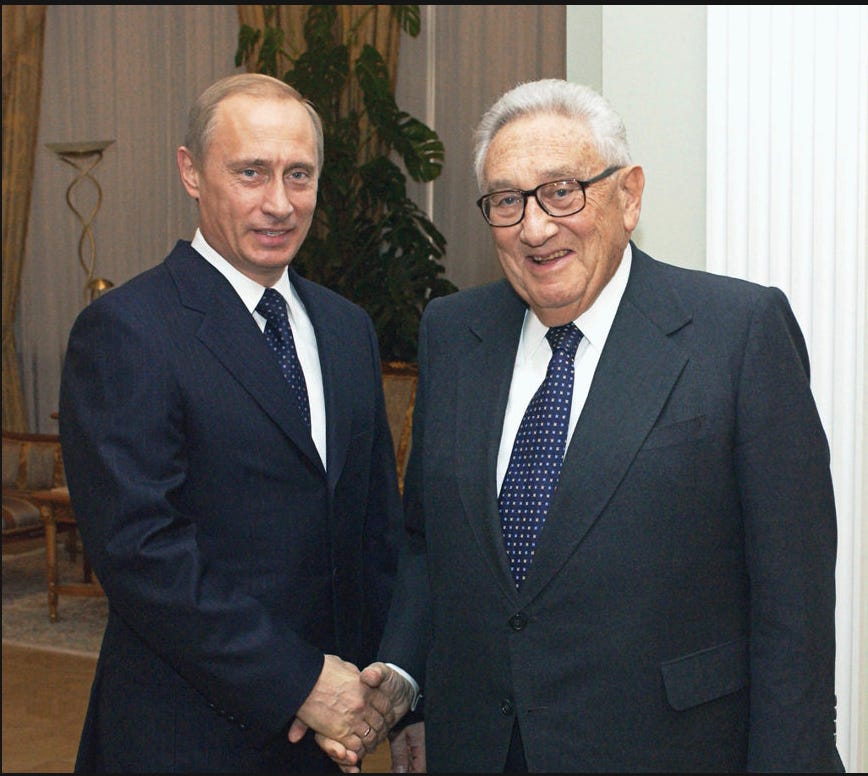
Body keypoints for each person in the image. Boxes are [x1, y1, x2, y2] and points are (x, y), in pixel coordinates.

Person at [362, 78, 843, 772]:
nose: (534, 228)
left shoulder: (738, 333)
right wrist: (411, 688)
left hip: (669, 751)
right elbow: (429, 543)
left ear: (629, 195)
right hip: (482, 749)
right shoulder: (452, 332)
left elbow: (793, 606)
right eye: (507, 201)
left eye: (562, 191)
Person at [58, 73, 408, 772]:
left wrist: (395, 692)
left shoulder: (346, 329)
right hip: (183, 737)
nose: (279, 203)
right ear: (191, 171)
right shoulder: (127, 330)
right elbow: (142, 553)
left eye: (298, 175)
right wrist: (301, 682)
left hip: (327, 741)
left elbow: (375, 532)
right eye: (251, 172)